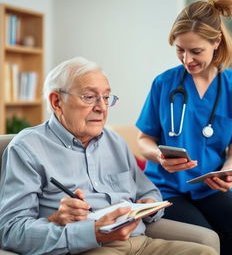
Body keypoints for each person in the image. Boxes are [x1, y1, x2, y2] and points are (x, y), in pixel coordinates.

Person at [0, 57, 218, 255]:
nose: (102, 108)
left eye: (106, 97)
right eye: (89, 97)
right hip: (87, 248)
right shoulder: (27, 148)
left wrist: (149, 203)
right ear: (57, 102)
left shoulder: (113, 141)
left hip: (141, 242)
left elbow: (148, 189)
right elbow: (10, 230)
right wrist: (88, 232)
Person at [136, 0, 232, 255]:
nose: (187, 59)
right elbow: (143, 138)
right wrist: (158, 156)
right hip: (166, 188)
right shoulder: (164, 83)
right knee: (205, 237)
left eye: (196, 51)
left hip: (209, 187)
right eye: (180, 50)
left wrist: (228, 172)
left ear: (216, 42)